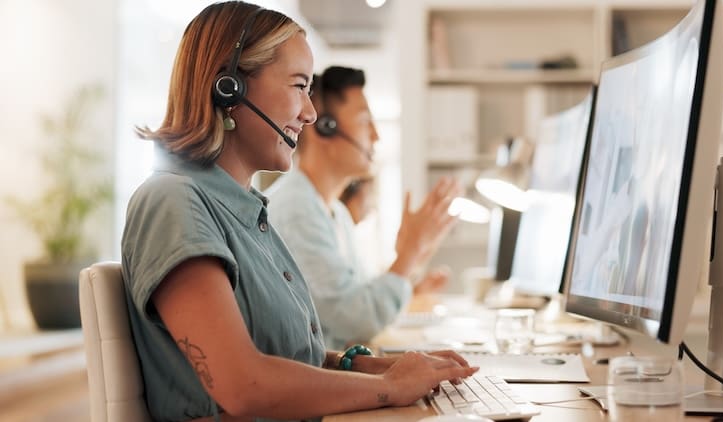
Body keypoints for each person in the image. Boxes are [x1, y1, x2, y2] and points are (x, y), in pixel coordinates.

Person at [121, 3, 477, 421]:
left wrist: (376, 367)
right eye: (299, 86)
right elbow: (243, 385)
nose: (310, 113)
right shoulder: (173, 203)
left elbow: (285, 356)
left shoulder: (244, 212)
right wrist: (390, 388)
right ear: (229, 88)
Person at [266, 66, 460, 349]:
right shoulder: (297, 210)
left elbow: (358, 298)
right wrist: (409, 254)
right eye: (365, 121)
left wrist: (413, 264)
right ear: (324, 127)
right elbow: (357, 319)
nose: (376, 135)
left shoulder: (335, 212)